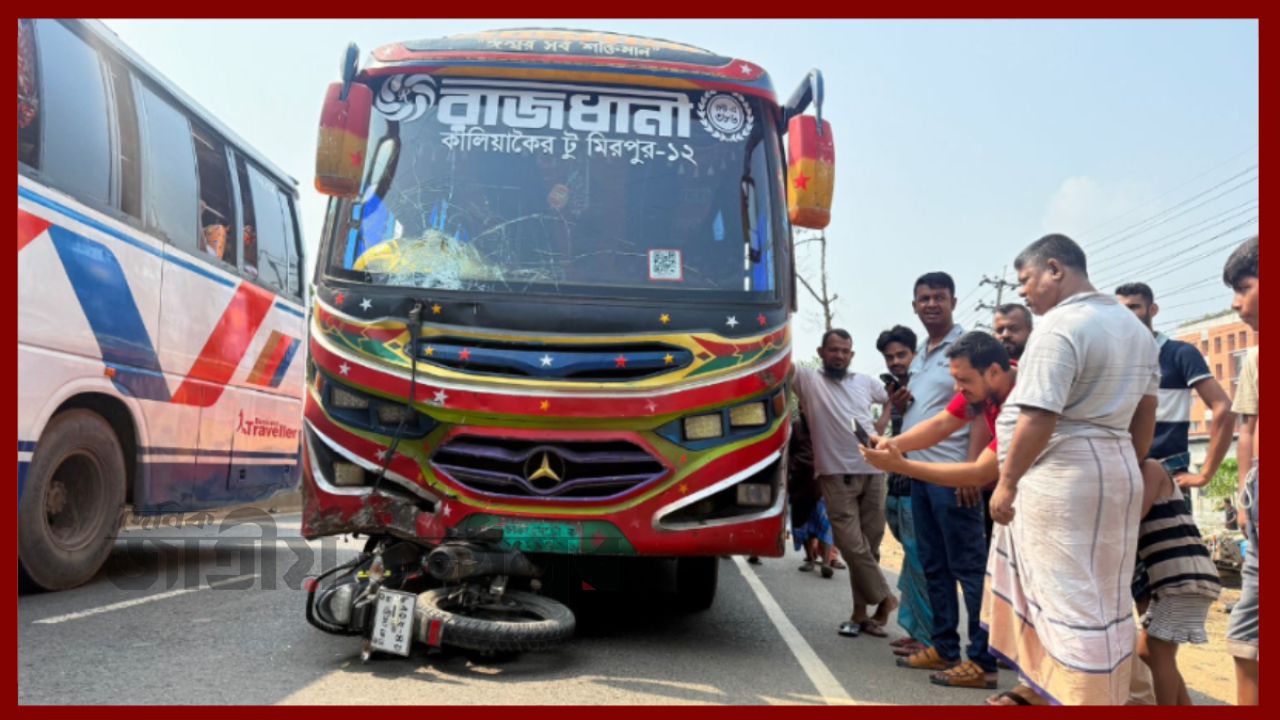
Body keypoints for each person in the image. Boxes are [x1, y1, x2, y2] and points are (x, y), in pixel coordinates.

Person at [983, 234, 1160, 706]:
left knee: (1067, 597)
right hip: (1117, 467)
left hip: (1064, 474)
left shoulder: (1061, 325)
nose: (1023, 293)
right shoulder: (1135, 329)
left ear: (1055, 270)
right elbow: (1145, 414)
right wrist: (1129, 465)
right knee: (1107, 596)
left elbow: (1039, 416)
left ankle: (1083, 697)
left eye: (1026, 281)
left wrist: (1006, 483)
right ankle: (1097, 694)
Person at [890, 273, 998, 690]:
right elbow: (934, 412)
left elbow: (974, 413)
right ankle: (945, 648)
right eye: (923, 298)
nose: (931, 304)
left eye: (939, 297)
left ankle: (983, 659)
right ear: (913, 306)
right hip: (920, 474)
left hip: (955, 476)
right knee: (933, 566)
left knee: (969, 569)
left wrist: (973, 467)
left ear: (954, 301)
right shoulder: (920, 355)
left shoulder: (968, 348)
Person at [792, 329, 898, 638]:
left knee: (870, 546)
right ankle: (886, 598)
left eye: (845, 351)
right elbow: (782, 362)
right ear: (821, 352)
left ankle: (861, 614)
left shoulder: (865, 382)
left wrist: (882, 423)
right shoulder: (809, 380)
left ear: (851, 355)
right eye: (833, 350)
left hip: (874, 471)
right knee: (851, 545)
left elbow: (895, 396)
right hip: (835, 475)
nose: (839, 355)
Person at [1115, 282, 1235, 506]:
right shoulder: (1112, 359)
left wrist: (1204, 474)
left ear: (1153, 310)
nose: (1126, 316)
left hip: (1167, 479)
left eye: (1134, 307)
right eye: (1120, 309)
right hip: (1120, 478)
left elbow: (1224, 409)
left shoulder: (1179, 354)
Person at [862, 331, 1016, 494]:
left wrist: (901, 466)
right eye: (955, 379)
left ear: (994, 371)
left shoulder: (1022, 405)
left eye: (963, 380)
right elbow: (940, 425)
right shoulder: (985, 385)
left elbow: (980, 473)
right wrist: (890, 444)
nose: (957, 388)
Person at [1132, 458, 1222, 705]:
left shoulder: (1151, 468)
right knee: (1149, 651)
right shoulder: (1139, 473)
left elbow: (1133, 514)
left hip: (1185, 577)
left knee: (1158, 651)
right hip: (1172, 579)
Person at [874, 324, 933, 656]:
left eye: (902, 355)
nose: (895, 362)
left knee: (921, 563)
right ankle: (914, 630)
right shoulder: (896, 391)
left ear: (915, 354)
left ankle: (929, 639)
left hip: (918, 486)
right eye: (889, 357)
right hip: (895, 485)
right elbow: (884, 431)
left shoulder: (928, 388)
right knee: (910, 563)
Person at [1221, 236, 1258, 706]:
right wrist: (1248, 501)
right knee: (1247, 631)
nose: (1235, 303)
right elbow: (1248, 428)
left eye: (1245, 286)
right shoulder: (1256, 357)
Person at [787, 412, 839, 579]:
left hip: (822, 484)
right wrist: (790, 471)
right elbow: (788, 451)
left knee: (825, 524)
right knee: (803, 524)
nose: (806, 409)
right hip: (800, 483)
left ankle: (825, 563)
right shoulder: (795, 427)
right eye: (803, 406)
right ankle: (810, 559)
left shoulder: (826, 425)